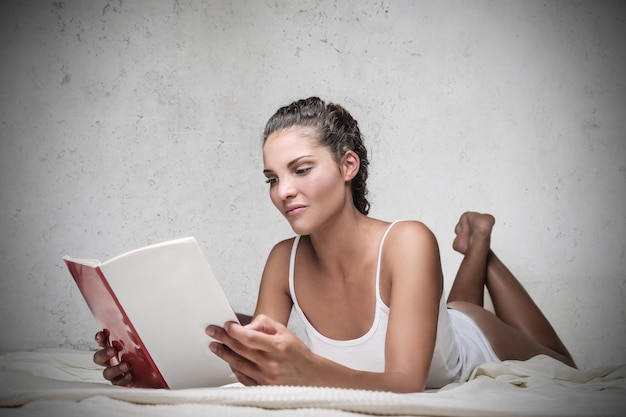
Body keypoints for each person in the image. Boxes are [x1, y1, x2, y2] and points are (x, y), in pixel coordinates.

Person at [93, 97, 575, 392]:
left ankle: (480, 245)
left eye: (301, 170)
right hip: (439, 321)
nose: (282, 191)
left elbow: (407, 384)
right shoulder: (283, 260)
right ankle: (475, 245)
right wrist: (152, 366)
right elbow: (257, 362)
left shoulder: (409, 241)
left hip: (473, 342)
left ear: (348, 167)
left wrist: (309, 367)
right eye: (272, 178)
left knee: (558, 362)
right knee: (455, 306)